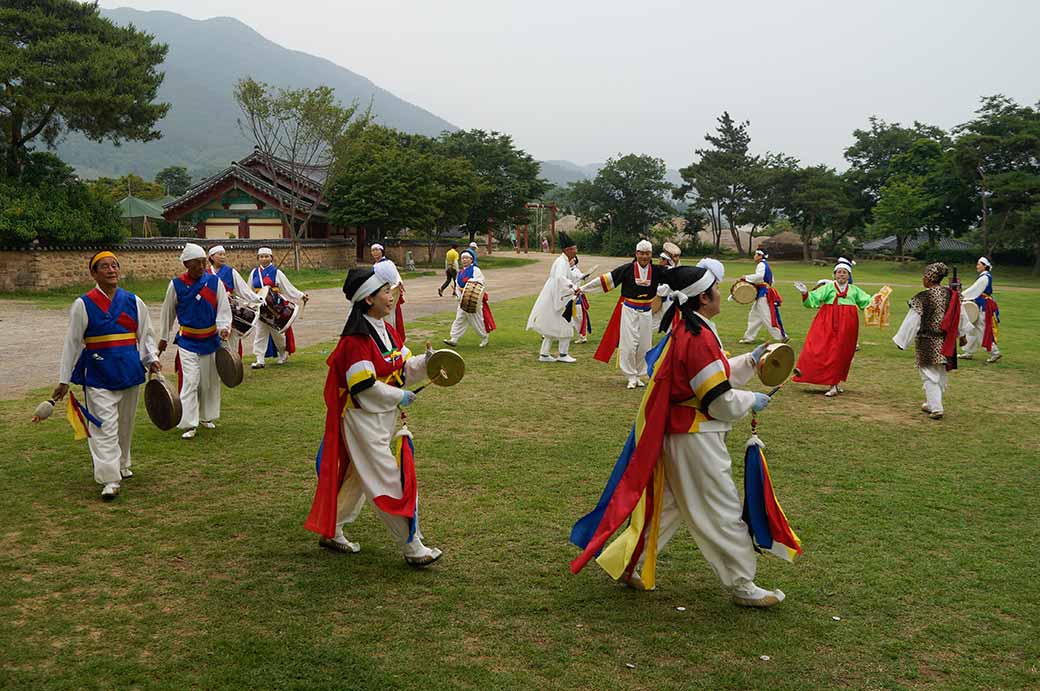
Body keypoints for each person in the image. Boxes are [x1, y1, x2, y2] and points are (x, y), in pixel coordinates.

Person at [569, 264, 785, 608]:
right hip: (696, 436)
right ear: (703, 297)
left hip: (681, 433)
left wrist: (746, 361)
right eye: (715, 288)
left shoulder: (691, 326)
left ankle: (625, 562)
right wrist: (751, 400)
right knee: (720, 507)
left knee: (667, 505)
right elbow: (717, 399)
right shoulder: (697, 336)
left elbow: (707, 376)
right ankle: (742, 582)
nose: (720, 292)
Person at [304, 267, 442, 567]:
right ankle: (412, 546)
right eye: (385, 291)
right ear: (368, 299)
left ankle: (332, 527)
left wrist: (428, 362)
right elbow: (363, 386)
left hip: (380, 418)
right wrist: (400, 396)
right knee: (387, 480)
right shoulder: (355, 340)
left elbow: (402, 366)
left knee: (356, 477)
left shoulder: (385, 330)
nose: (392, 295)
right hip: (361, 420)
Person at [40, 251, 160, 500]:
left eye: (114, 265)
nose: (111, 270)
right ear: (93, 273)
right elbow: (72, 343)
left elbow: (146, 336)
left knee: (125, 424)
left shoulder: (134, 301)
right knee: (103, 425)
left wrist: (152, 360)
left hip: (129, 370)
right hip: (97, 372)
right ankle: (110, 478)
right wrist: (64, 379)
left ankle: (123, 463)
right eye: (104, 266)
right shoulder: (83, 304)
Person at [158, 243, 232, 439]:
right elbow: (168, 313)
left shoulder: (215, 283)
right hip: (187, 340)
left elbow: (223, 309)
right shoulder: (176, 285)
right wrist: (163, 337)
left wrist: (224, 327)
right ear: (186, 264)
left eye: (203, 262)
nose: (201, 266)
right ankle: (188, 422)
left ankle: (206, 417)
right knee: (191, 381)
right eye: (196, 263)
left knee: (208, 382)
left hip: (210, 339)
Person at [893, 263, 971, 420]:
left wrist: (902, 340)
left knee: (928, 374)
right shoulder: (952, 295)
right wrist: (962, 335)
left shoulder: (923, 297)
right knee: (939, 372)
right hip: (946, 341)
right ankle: (931, 402)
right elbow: (960, 316)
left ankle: (936, 407)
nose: (923, 279)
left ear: (929, 278)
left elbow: (912, 321)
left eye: (924, 276)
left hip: (928, 341)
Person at [582, 240, 662, 389]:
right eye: (641, 253)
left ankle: (639, 375)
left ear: (651, 255)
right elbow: (606, 280)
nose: (644, 256)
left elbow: (675, 279)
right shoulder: (626, 269)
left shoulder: (657, 271)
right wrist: (583, 288)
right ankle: (630, 376)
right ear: (636, 254)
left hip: (646, 312)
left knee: (644, 346)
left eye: (647, 254)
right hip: (629, 310)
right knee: (629, 345)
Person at [792, 258, 872, 397]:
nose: (841, 275)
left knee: (842, 353)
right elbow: (813, 300)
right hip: (826, 323)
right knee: (821, 349)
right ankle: (830, 382)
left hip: (847, 325)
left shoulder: (854, 290)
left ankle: (835, 382)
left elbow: (867, 302)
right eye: (839, 272)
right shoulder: (828, 288)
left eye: (845, 272)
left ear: (849, 275)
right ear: (834, 275)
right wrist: (805, 294)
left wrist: (878, 299)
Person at [249, 247, 308, 369]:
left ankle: (282, 354)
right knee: (260, 333)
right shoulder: (254, 272)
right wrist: (248, 303)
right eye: (261, 256)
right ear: (258, 258)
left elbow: (288, 287)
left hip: (275, 307)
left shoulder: (277, 272)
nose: (264, 258)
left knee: (277, 334)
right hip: (261, 307)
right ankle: (259, 359)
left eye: (266, 256)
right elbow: (249, 290)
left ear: (271, 258)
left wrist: (301, 295)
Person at [526, 231, 579, 363]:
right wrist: (573, 287)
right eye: (574, 249)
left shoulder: (565, 261)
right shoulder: (561, 262)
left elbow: (569, 276)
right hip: (558, 299)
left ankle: (544, 355)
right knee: (565, 325)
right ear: (567, 250)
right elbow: (561, 278)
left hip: (558, 298)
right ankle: (562, 354)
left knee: (552, 325)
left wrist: (580, 278)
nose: (576, 251)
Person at [207, 245, 262, 355]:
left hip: (229, 309)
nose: (223, 257)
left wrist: (257, 299)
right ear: (212, 257)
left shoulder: (230, 272)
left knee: (230, 337)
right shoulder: (205, 273)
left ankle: (232, 364)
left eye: (224, 254)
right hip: (210, 309)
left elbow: (243, 289)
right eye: (220, 254)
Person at [444, 249, 494, 347]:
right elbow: (457, 285)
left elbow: (480, 281)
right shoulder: (460, 273)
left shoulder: (475, 270)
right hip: (463, 301)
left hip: (473, 300)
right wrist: (458, 293)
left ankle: (484, 337)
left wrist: (466, 287)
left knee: (477, 320)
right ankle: (454, 338)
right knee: (459, 319)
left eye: (467, 258)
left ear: (471, 259)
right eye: (463, 258)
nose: (464, 260)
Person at [738, 249, 786, 344]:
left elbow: (759, 276)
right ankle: (749, 337)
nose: (754, 256)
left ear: (760, 256)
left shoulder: (761, 265)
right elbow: (772, 281)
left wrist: (746, 277)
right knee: (754, 316)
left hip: (764, 294)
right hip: (764, 292)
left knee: (766, 316)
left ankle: (780, 336)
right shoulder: (765, 265)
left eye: (756, 254)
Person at [960, 257, 1001, 363]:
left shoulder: (984, 277)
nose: (977, 266)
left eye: (979, 264)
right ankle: (968, 351)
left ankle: (995, 352)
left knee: (981, 329)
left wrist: (961, 296)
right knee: (972, 328)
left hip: (984, 306)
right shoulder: (984, 276)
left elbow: (974, 290)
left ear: (984, 266)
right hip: (980, 305)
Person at [371, 243, 406, 340]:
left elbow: (397, 278)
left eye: (377, 250)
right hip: (381, 294)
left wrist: (395, 287)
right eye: (373, 250)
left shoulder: (388, 263)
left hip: (389, 294)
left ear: (382, 251)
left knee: (389, 318)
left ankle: (391, 338)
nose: (375, 252)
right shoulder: (376, 265)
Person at [651, 242, 682, 332]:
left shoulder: (671, 272)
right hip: (662, 301)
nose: (659, 260)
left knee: (670, 327)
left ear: (666, 260)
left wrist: (652, 289)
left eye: (661, 259)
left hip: (668, 302)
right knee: (652, 322)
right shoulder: (666, 270)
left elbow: (664, 289)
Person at [570, 256, 593, 344]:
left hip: (575, 297)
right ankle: (550, 334)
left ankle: (582, 336)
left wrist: (585, 276)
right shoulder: (566, 269)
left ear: (575, 261)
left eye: (571, 259)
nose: (569, 261)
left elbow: (581, 276)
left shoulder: (576, 271)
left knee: (578, 317)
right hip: (566, 297)